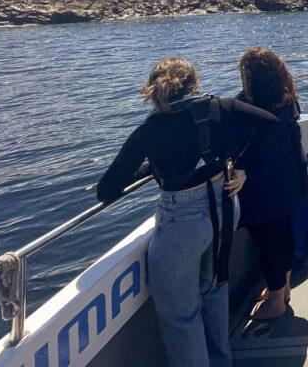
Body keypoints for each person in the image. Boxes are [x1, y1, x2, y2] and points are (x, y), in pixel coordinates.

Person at [97, 58, 277, 367]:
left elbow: (108, 188)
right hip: (224, 208)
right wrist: (241, 165)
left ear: (153, 91)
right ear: (194, 82)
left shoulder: (149, 131)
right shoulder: (221, 107)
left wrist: (154, 167)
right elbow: (271, 124)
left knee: (181, 315)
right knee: (214, 289)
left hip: (182, 224)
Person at [235, 47, 308, 320]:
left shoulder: (249, 109)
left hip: (264, 188)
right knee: (283, 237)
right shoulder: (287, 101)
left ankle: (276, 300)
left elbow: (248, 147)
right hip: (290, 181)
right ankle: (283, 289)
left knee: (268, 242)